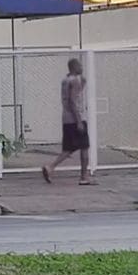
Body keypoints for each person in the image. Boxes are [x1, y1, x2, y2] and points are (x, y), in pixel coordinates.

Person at [42, 58, 96, 186]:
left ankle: (50, 167)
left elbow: (75, 94)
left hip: (66, 119)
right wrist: (79, 121)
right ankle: (84, 177)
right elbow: (73, 101)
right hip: (75, 118)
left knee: (69, 148)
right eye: (80, 66)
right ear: (74, 67)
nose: (82, 68)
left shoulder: (65, 81)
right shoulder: (74, 81)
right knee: (84, 147)